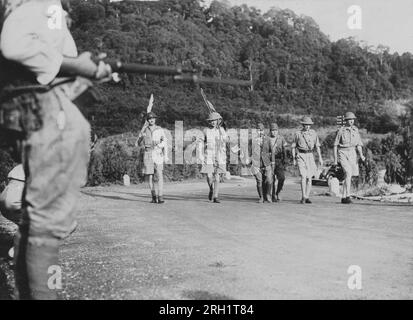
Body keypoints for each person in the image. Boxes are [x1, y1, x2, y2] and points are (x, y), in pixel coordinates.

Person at [0, 0, 112, 299]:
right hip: (42, 109)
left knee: (40, 221)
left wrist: (85, 72)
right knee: (48, 221)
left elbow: (40, 63)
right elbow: (14, 47)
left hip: (37, 105)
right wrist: (76, 65)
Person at [333, 112, 365, 204]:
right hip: (342, 152)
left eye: (352, 119)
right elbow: (335, 145)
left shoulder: (356, 130)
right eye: (349, 119)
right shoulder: (341, 131)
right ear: (346, 120)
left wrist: (361, 155)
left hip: (352, 153)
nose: (351, 121)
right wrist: (335, 160)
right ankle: (347, 196)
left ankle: (343, 196)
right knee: (348, 172)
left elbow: (358, 144)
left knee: (349, 175)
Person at [137, 112, 167, 204]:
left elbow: (165, 141)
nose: (151, 120)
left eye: (153, 118)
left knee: (159, 174)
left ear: (155, 119)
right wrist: (140, 137)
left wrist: (163, 151)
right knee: (150, 176)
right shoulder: (144, 130)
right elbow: (138, 143)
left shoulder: (160, 129)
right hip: (148, 153)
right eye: (150, 119)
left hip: (157, 153)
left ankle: (160, 196)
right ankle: (153, 196)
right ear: (147, 120)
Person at [292, 116, 323, 204]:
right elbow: (293, 147)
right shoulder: (298, 134)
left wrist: (320, 157)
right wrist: (294, 158)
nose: (307, 126)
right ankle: (303, 196)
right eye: (306, 125)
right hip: (301, 155)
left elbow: (317, 146)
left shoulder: (313, 133)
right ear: (303, 125)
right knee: (303, 176)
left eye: (309, 125)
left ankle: (307, 196)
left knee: (309, 177)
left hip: (310, 155)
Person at [199, 112, 228, 203]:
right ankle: (211, 188)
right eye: (211, 121)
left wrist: (221, 132)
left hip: (219, 155)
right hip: (209, 154)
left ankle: (215, 196)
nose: (212, 122)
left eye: (214, 121)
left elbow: (226, 140)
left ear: (217, 121)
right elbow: (200, 142)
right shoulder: (206, 130)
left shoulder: (221, 130)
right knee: (208, 175)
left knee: (217, 176)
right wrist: (200, 154)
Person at [250, 123, 272, 203]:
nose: (260, 132)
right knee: (259, 180)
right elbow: (250, 151)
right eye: (258, 130)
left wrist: (272, 162)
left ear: (264, 130)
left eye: (261, 130)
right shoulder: (253, 140)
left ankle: (268, 195)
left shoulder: (268, 139)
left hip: (266, 162)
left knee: (269, 179)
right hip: (256, 163)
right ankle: (261, 197)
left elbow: (271, 151)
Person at [268, 123, 288, 202]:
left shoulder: (281, 139)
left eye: (275, 130)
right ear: (270, 131)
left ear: (278, 131)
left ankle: (278, 191)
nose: (274, 132)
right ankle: (273, 195)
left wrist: (285, 160)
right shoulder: (267, 139)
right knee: (271, 179)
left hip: (279, 160)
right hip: (270, 160)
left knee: (282, 178)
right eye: (272, 130)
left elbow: (284, 150)